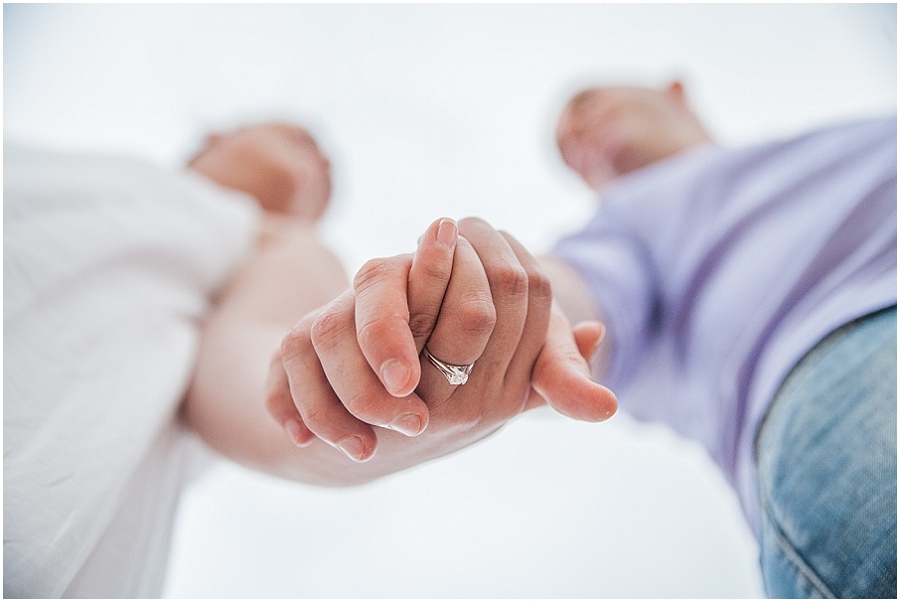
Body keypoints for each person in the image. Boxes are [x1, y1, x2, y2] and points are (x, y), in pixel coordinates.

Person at [269, 83, 896, 598]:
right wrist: (476, 307)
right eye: (567, 146)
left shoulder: (858, 134)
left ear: (675, 91)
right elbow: (560, 291)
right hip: (855, 362)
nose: (576, 134)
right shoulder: (624, 227)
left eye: (588, 103)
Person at [3, 122, 615, 597]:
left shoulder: (277, 242)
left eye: (327, 173)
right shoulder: (68, 167)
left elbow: (267, 393)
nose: (323, 160)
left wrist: (397, 390)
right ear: (215, 138)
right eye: (300, 137)